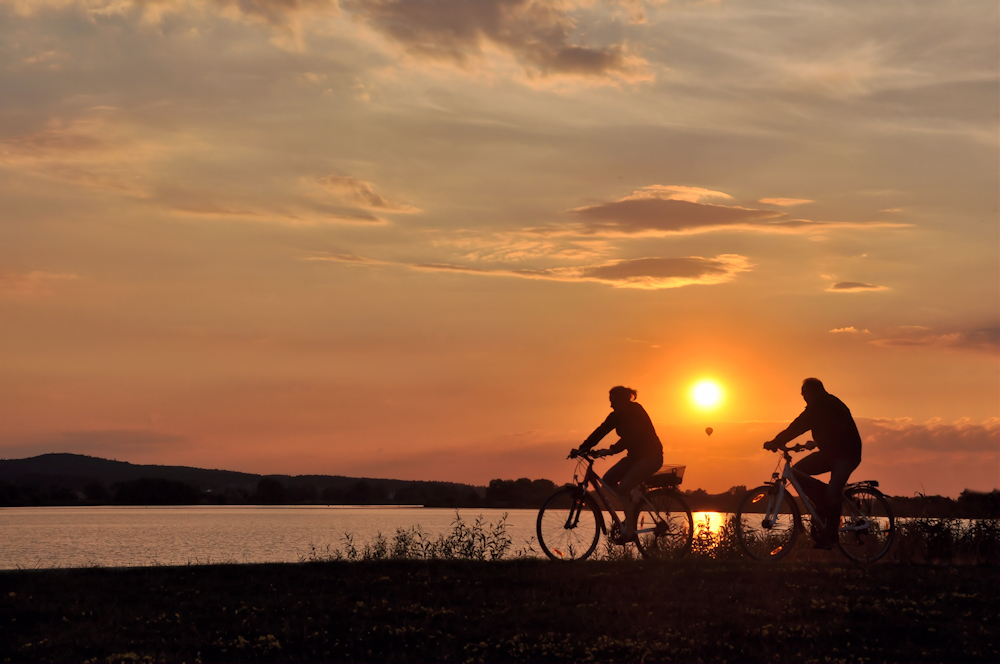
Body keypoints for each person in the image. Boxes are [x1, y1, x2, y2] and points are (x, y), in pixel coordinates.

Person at [763, 378, 863, 548]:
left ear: (813, 392)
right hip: (830, 453)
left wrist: (777, 441)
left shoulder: (828, 406)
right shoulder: (818, 407)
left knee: (833, 490)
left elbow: (803, 427)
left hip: (847, 455)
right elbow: (804, 427)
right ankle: (824, 504)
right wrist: (781, 442)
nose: (803, 398)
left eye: (804, 394)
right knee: (797, 472)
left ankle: (830, 535)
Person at [579, 385, 664, 541]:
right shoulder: (615, 416)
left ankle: (630, 531)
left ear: (624, 401)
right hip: (634, 458)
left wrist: (612, 450)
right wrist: (583, 447)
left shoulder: (636, 411)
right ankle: (631, 511)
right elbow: (601, 430)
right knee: (608, 480)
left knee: (623, 487)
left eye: (614, 401)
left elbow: (634, 436)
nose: (611, 405)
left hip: (651, 457)